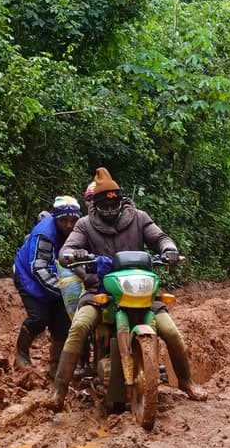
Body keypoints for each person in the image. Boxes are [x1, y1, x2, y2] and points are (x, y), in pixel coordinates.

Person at [49, 167, 207, 409]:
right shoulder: (83, 225)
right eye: (105, 205)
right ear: (96, 205)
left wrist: (169, 249)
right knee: (79, 327)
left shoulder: (140, 218)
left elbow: (160, 237)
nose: (111, 209)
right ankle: (58, 391)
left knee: (172, 332)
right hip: (99, 291)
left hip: (140, 292)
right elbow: (65, 252)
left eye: (115, 204)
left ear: (122, 201)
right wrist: (74, 254)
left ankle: (186, 381)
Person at [12, 196, 83, 370]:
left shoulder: (80, 229)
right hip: (28, 275)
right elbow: (39, 268)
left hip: (59, 277)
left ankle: (55, 366)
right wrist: (65, 291)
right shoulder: (45, 233)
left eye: (73, 220)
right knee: (39, 318)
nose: (68, 225)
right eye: (63, 220)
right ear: (55, 218)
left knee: (63, 322)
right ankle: (21, 352)